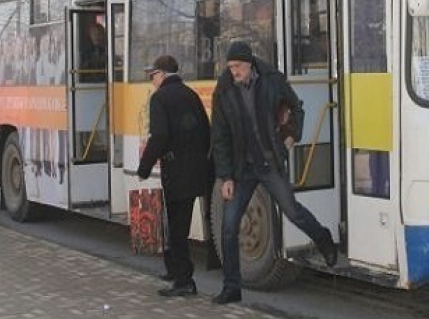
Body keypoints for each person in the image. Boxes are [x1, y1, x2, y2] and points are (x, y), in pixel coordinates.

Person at [210, 41, 337, 305]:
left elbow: (296, 107)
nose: (233, 72)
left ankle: (324, 239)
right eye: (230, 67)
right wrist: (226, 178)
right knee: (229, 226)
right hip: (241, 169)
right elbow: (219, 136)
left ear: (249, 63)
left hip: (269, 163)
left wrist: (291, 136)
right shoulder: (223, 91)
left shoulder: (271, 80)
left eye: (237, 67)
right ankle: (232, 287)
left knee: (293, 212)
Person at [137, 55, 211, 298]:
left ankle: (183, 280)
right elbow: (205, 131)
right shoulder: (190, 94)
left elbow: (159, 136)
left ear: (162, 74)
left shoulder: (160, 98)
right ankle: (176, 271)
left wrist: (144, 167)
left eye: (153, 76)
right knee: (181, 224)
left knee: (176, 228)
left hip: (175, 171)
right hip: (195, 170)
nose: (152, 81)